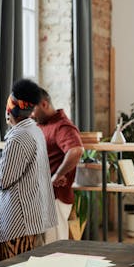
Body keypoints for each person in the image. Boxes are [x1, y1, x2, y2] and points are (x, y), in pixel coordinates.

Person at [0, 79, 57, 267]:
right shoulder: (35, 130)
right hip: (31, 213)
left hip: (18, 217)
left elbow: (5, 178)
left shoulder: (19, 136)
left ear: (12, 107)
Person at [30, 88, 84, 242]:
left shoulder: (62, 126)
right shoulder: (41, 125)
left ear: (44, 104)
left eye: (33, 109)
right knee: (44, 250)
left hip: (55, 198)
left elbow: (76, 151)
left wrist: (58, 175)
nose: (31, 115)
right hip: (42, 196)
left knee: (54, 248)